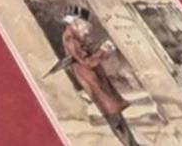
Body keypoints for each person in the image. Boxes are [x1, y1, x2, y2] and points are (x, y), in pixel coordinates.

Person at [59, 8, 140, 145]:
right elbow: (86, 61)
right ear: (76, 23)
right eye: (85, 27)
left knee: (114, 112)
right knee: (112, 113)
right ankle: (130, 144)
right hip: (91, 79)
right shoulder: (71, 39)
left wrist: (98, 50)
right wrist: (103, 51)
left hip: (94, 77)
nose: (87, 31)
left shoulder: (74, 36)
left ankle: (131, 143)